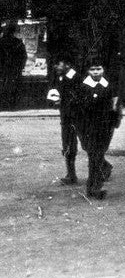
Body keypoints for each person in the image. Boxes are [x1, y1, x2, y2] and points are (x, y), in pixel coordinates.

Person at [75, 56, 120, 200]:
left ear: (103, 70)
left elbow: (115, 107)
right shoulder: (83, 87)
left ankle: (94, 186)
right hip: (88, 128)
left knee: (98, 156)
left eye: (98, 69)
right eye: (92, 69)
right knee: (94, 157)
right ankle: (94, 187)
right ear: (88, 71)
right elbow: (79, 110)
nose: (95, 72)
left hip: (104, 127)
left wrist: (113, 123)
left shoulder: (108, 86)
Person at [46, 54, 81, 184]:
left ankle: (103, 167)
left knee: (87, 144)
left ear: (67, 64)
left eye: (58, 64)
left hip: (77, 117)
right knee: (68, 144)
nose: (56, 67)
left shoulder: (75, 77)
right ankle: (71, 174)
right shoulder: (62, 77)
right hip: (66, 116)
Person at [0, 21, 26, 110]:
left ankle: (4, 103)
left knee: (4, 85)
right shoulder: (18, 43)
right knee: (14, 86)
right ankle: (12, 104)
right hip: (14, 69)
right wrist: (20, 67)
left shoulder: (1, 42)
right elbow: (24, 57)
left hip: (3, 69)